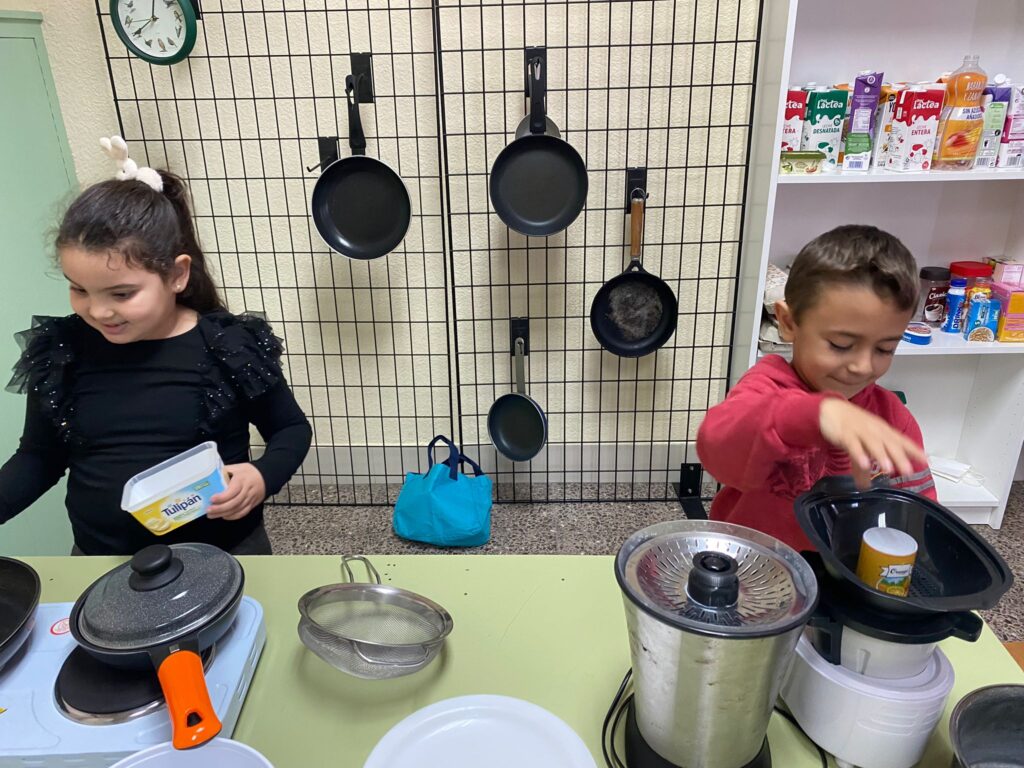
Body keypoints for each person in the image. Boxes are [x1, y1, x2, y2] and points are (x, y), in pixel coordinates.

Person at [0, 136, 311, 555]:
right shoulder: (62, 353)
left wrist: (262, 476)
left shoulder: (228, 346)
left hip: (224, 552)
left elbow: (290, 428)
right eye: (79, 289)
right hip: (102, 558)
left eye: (122, 294)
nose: (99, 311)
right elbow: (39, 457)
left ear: (177, 275)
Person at [697, 225, 936, 551]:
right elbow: (717, 450)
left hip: (847, 568)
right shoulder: (767, 387)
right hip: (755, 563)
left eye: (885, 349)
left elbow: (917, 512)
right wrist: (815, 415)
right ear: (788, 323)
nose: (863, 366)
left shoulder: (892, 417)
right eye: (841, 344)